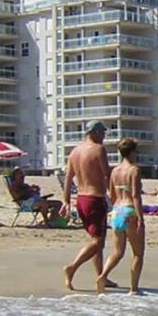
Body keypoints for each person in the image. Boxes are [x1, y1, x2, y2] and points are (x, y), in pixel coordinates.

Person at [63, 121, 111, 291]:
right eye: (103, 132)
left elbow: (68, 178)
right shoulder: (99, 149)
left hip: (81, 200)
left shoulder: (75, 151)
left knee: (96, 240)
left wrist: (66, 201)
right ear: (95, 132)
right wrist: (117, 197)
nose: (105, 136)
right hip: (95, 199)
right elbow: (108, 175)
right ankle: (72, 268)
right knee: (98, 242)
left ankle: (101, 276)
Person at [99, 137, 146, 294]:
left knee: (117, 252)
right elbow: (135, 195)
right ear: (132, 152)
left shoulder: (115, 171)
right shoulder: (134, 170)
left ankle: (102, 276)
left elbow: (112, 195)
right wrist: (140, 218)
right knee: (138, 254)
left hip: (117, 211)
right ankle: (134, 288)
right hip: (129, 210)